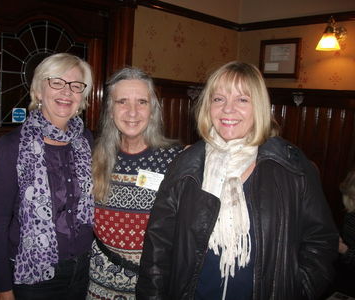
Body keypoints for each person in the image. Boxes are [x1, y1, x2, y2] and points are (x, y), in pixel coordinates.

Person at [136, 61, 338, 300]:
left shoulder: (291, 166)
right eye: (218, 99)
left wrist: (297, 290)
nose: (227, 110)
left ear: (259, 107)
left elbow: (321, 241)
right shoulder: (186, 164)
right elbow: (158, 247)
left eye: (242, 100)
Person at [0, 53, 95, 300]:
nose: (67, 92)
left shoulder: (87, 141)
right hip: (34, 278)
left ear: (82, 97)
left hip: (84, 270)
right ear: (38, 91)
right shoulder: (11, 146)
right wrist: (2, 287)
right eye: (56, 82)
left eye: (76, 85)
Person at [87, 67, 183, 300]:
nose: (132, 112)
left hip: (151, 289)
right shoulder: (91, 156)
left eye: (142, 102)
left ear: (153, 110)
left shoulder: (177, 160)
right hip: (97, 286)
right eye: (122, 102)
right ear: (110, 110)